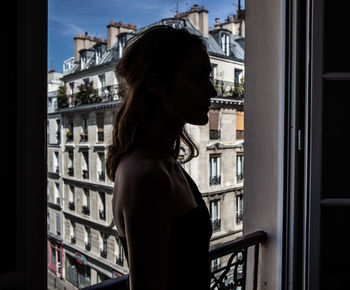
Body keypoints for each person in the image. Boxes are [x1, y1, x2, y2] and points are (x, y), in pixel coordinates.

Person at [106, 25, 217, 290]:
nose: (211, 91)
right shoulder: (146, 174)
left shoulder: (162, 163)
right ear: (155, 84)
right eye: (198, 77)